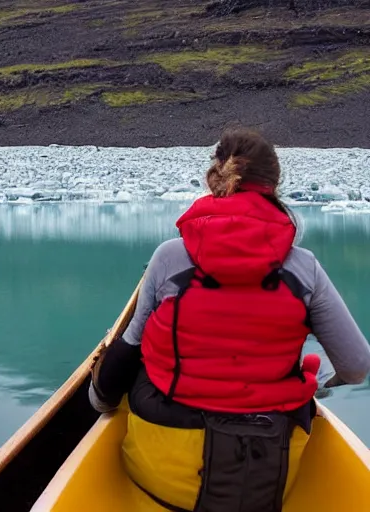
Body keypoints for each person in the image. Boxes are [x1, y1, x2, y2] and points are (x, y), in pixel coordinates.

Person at [88, 127, 370, 512]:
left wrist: (100, 398)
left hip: (165, 466)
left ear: (216, 178)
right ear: (274, 185)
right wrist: (317, 383)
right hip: (267, 468)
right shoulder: (304, 269)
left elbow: (130, 345)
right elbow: (356, 367)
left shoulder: (170, 256)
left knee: (145, 350)